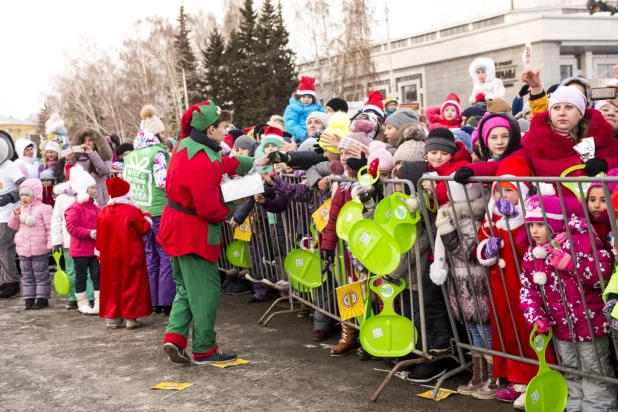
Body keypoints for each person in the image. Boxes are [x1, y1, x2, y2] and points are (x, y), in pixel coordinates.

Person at [158, 100, 253, 365]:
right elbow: (211, 210)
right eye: (224, 127)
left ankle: (175, 337)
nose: (226, 132)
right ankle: (204, 348)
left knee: (186, 288)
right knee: (208, 291)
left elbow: (218, 163)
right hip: (193, 234)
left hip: (176, 228)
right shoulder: (203, 159)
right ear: (211, 130)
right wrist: (234, 203)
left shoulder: (185, 145)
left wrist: (247, 162)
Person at [520, 185, 617, 411]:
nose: (534, 231)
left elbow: (602, 273)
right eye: (531, 225)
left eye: (540, 224)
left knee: (595, 367)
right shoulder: (534, 253)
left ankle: (600, 406)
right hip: (560, 326)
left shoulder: (582, 240)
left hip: (589, 323)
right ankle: (575, 404)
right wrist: (535, 317)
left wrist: (572, 264)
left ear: (554, 222)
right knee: (570, 366)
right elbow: (528, 289)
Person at [475, 157, 556, 405]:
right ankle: (513, 377)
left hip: (524, 285)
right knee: (505, 328)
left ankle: (534, 376)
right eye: (498, 190)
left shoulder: (528, 218)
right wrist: (486, 250)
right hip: (500, 284)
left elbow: (532, 247)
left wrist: (514, 224)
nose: (502, 196)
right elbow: (482, 241)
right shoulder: (492, 216)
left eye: (509, 190)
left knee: (526, 329)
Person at [455, 86, 618, 187]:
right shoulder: (535, 142)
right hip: (550, 217)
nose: (561, 112)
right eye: (556, 107)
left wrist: (606, 163)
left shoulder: (601, 138)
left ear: (581, 113)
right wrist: (471, 170)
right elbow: (507, 165)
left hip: (595, 219)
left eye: (569, 107)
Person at [430, 180, 494, 397]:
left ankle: (493, 376)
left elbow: (465, 252)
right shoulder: (450, 214)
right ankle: (478, 374)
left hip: (475, 281)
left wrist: (447, 230)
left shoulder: (473, 219)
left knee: (484, 329)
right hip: (460, 281)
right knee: (474, 329)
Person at [123, 122, 173, 316]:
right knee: (166, 254)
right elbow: (162, 182)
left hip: (139, 212)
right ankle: (166, 301)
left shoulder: (131, 157)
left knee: (150, 256)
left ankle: (152, 301)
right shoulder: (158, 153)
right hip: (159, 209)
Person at [97, 177, 153, 329]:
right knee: (132, 282)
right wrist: (147, 216)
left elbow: (100, 236)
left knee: (111, 283)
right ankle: (130, 318)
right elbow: (144, 229)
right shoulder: (132, 211)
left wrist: (99, 252)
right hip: (130, 252)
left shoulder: (103, 212)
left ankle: (112, 318)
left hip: (109, 255)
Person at [51, 163, 95, 309]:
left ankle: (90, 297)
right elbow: (56, 219)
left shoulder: (89, 199)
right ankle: (73, 297)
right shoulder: (62, 198)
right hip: (68, 241)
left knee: (89, 272)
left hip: (88, 241)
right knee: (71, 271)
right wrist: (56, 241)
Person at [8, 179, 53, 309]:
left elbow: (50, 228)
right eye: (21, 195)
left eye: (27, 195)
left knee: (40, 274)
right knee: (27, 274)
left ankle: (42, 298)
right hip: (23, 247)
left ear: (35, 194)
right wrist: (15, 215)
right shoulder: (20, 209)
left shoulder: (44, 208)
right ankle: (29, 298)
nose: (23, 197)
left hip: (39, 246)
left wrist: (50, 243)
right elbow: (13, 226)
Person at [64, 165, 100, 315]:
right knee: (81, 276)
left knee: (97, 275)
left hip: (94, 248)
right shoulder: (74, 208)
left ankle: (99, 301)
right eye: (92, 188)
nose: (95, 190)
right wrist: (90, 233)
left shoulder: (94, 206)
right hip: (80, 250)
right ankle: (82, 302)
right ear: (84, 189)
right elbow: (71, 227)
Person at [0, 130, 25, 299]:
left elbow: (25, 186)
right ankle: (4, 281)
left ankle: (12, 283)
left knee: (5, 248)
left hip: (7, 215)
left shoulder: (9, 165)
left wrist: (10, 197)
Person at [71, 127, 113, 206]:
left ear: (96, 142)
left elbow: (104, 171)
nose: (87, 143)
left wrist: (92, 154)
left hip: (100, 195)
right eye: (84, 141)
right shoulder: (77, 158)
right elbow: (69, 176)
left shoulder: (105, 156)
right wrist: (69, 160)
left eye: (90, 140)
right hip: (83, 196)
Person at [284, 76, 325, 143]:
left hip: (318, 136)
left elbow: (325, 119)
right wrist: (303, 134)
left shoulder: (318, 107)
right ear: (299, 97)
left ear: (313, 98)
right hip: (300, 138)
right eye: (303, 97)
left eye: (309, 97)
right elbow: (290, 123)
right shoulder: (292, 107)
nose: (306, 99)